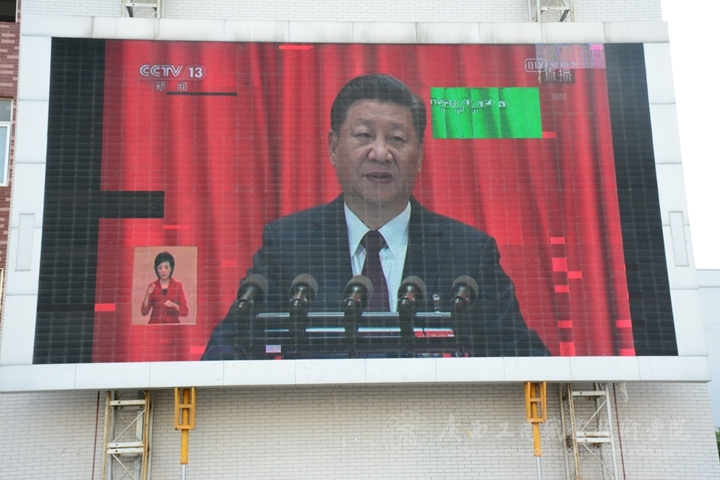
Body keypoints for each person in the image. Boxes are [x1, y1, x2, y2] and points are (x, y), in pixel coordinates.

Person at [203, 74, 548, 358]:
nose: (381, 153)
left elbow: (523, 357)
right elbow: (224, 352)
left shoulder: (469, 252)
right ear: (334, 148)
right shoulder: (289, 245)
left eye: (397, 139)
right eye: (364, 136)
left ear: (419, 156)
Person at [141, 251, 189, 324]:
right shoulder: (152, 286)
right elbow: (144, 312)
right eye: (160, 268)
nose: (163, 271)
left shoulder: (177, 286)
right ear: (156, 269)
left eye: (166, 267)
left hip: (172, 327)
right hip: (155, 326)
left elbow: (185, 312)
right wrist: (147, 295)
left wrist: (174, 305)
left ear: (171, 268)